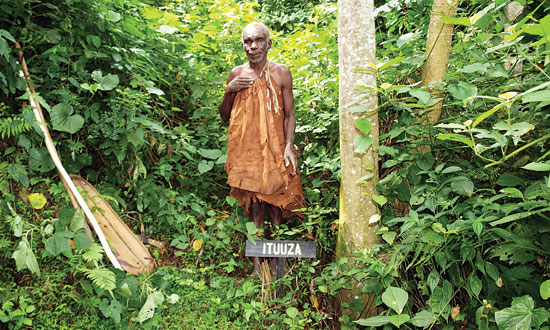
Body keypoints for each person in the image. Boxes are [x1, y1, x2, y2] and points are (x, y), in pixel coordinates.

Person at [218, 22, 305, 275]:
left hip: (276, 146)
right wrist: (229, 91)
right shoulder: (236, 74)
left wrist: (289, 146)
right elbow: (224, 117)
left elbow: (290, 115)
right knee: (254, 203)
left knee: (276, 200)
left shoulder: (281, 73)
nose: (252, 46)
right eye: (247, 41)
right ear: (243, 45)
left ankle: (277, 261)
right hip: (247, 149)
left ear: (269, 43)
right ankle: (258, 263)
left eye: (258, 40)